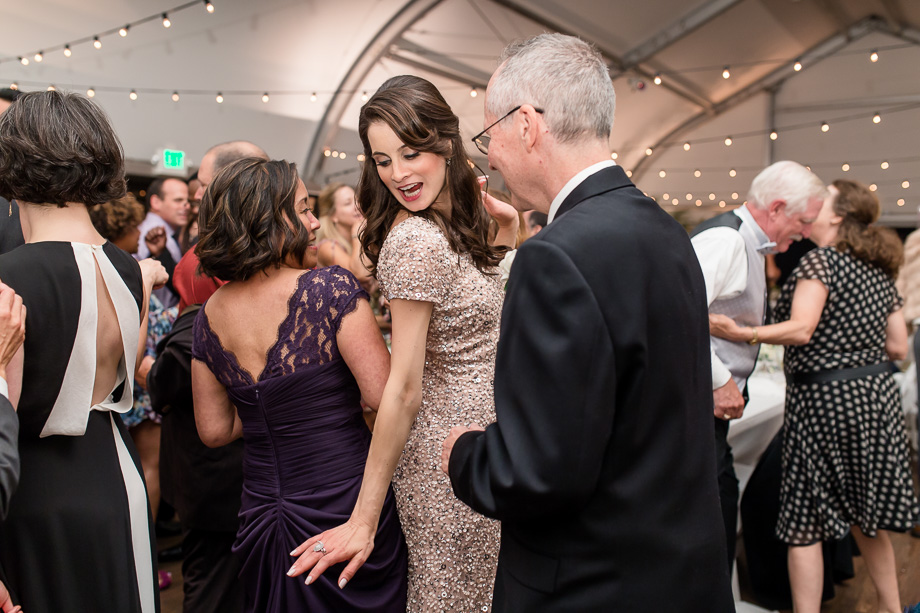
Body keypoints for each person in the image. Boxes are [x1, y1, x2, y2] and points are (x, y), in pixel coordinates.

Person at [435, 34, 734, 612]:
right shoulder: (665, 230)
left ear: (527, 125)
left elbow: (539, 472)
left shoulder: (556, 256)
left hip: (592, 585)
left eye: (490, 134)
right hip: (679, 574)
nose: (490, 157)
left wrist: (464, 454)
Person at [288, 74, 517, 612]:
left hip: (486, 447)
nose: (398, 174)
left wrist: (507, 233)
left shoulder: (451, 227)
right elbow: (403, 388)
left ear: (446, 143)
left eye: (410, 153)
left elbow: (494, 319)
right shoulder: (415, 239)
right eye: (383, 160)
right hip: (446, 462)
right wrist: (363, 521)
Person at [191, 157, 407, 612]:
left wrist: (269, 410)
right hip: (344, 500)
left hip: (262, 511)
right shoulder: (328, 289)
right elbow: (382, 396)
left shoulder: (208, 315)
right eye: (304, 209)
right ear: (266, 220)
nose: (315, 222)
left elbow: (214, 430)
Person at [709, 179, 919, 613]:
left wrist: (742, 333)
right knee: (866, 515)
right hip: (874, 398)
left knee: (805, 520)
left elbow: (802, 329)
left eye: (825, 198)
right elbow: (899, 346)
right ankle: (892, 608)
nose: (816, 203)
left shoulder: (820, 261)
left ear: (837, 215)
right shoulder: (876, 269)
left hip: (825, 401)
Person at [0, 90, 167, 613]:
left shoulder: (7, 280)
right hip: (117, 476)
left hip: (34, 493)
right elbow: (125, 375)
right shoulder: (130, 271)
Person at [690, 160, 826, 569]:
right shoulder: (726, 240)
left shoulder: (745, 240)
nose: (805, 233)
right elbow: (674, 315)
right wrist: (719, 381)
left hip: (708, 405)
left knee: (722, 500)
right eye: (803, 221)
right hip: (697, 401)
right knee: (710, 516)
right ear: (777, 208)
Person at [315, 182, 363, 269]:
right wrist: (357, 234)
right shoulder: (328, 247)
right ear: (333, 215)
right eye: (348, 203)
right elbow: (357, 273)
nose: (357, 206)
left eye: (357, 200)